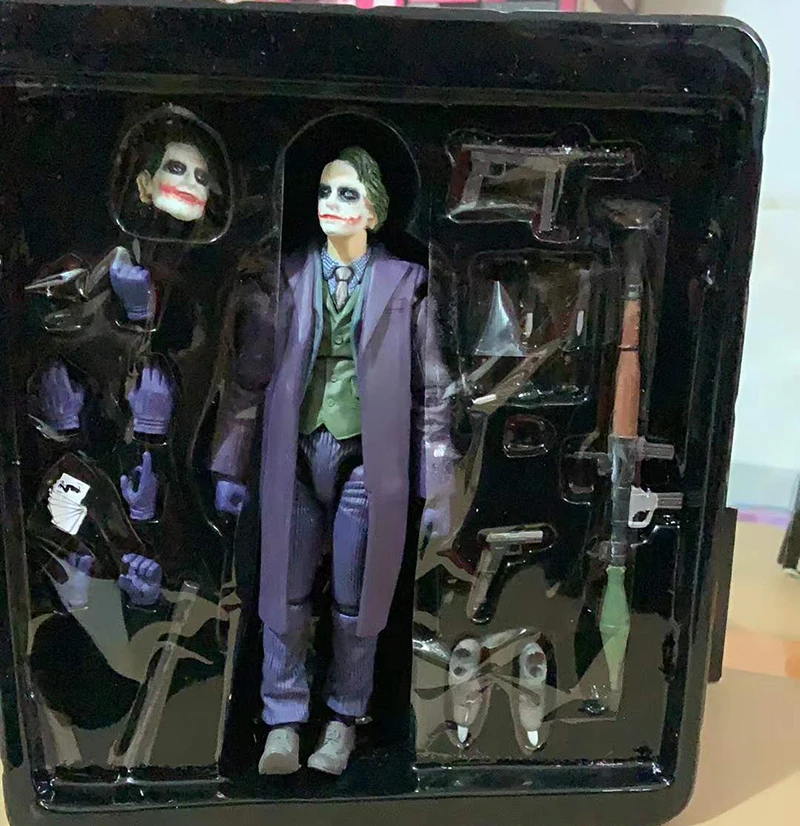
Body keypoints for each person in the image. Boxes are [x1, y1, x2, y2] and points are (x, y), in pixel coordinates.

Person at [210, 146, 455, 776]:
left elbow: (434, 390)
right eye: (324, 191)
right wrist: (230, 462)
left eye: (348, 194)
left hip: (368, 458)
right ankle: (282, 720)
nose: (332, 204)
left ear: (375, 209)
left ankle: (344, 719)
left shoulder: (406, 284)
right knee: (282, 594)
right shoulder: (286, 277)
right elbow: (248, 378)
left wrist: (438, 482)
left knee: (358, 600)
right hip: (291, 454)